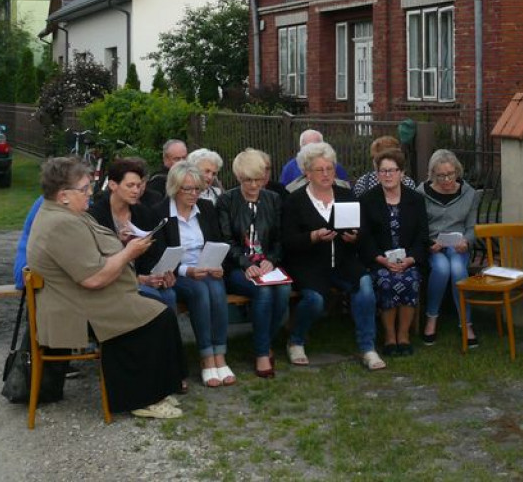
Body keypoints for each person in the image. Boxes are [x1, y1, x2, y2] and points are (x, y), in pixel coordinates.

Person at [25, 157, 186, 419]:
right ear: (64, 195)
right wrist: (129, 252)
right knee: (158, 318)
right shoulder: (61, 223)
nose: (90, 192)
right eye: (84, 188)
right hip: (80, 309)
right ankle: (142, 399)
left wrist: (118, 242)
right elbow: (94, 279)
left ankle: (155, 391)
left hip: (87, 299)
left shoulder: (64, 213)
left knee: (158, 312)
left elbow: (89, 252)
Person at [281, 142, 385, 371]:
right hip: (309, 264)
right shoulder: (294, 201)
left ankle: (367, 347)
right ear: (307, 173)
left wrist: (354, 237)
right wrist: (313, 237)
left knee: (365, 285)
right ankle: (296, 340)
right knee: (315, 301)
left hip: (343, 260)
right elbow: (288, 241)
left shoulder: (346, 195)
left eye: (330, 168)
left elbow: (363, 231)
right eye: (320, 170)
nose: (327, 174)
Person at [152, 160, 234, 387]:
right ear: (174, 188)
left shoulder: (206, 208)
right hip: (178, 272)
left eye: (198, 189)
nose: (193, 194)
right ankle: (207, 357)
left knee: (217, 289)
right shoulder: (160, 213)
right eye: (187, 189)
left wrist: (218, 264)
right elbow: (159, 255)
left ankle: (220, 354)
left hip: (207, 268)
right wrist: (187, 270)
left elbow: (217, 240)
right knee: (199, 291)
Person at [217, 149, 291, 378]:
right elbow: (226, 241)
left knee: (284, 289)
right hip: (238, 266)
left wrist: (271, 260)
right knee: (264, 292)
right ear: (238, 177)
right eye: (248, 180)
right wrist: (245, 263)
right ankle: (261, 352)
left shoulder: (273, 199)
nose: (253, 185)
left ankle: (264, 340)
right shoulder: (227, 201)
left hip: (267, 264)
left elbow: (280, 238)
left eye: (258, 179)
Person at [360, 148, 428, 357]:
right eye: (383, 171)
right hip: (379, 261)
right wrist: (382, 260)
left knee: (409, 279)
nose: (387, 175)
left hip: (409, 260)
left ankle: (404, 335)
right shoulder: (368, 200)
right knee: (386, 281)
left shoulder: (415, 200)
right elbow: (365, 238)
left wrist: (409, 260)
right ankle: (390, 337)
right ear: (377, 174)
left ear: (402, 173)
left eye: (392, 170)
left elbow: (422, 236)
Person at [89, 157, 177, 311]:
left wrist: (158, 275)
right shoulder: (96, 215)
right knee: (155, 299)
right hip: (112, 281)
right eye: (130, 185)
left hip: (142, 277)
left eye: (138, 185)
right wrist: (139, 278)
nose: (136, 191)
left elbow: (155, 252)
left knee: (169, 294)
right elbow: (96, 258)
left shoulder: (143, 213)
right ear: (113, 185)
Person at [417, 149, 480, 347]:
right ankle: (431, 317)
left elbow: (472, 227)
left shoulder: (468, 193)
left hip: (458, 246)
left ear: (457, 172)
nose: (447, 180)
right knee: (442, 269)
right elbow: (418, 227)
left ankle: (466, 323)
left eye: (451, 174)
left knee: (458, 269)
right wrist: (429, 244)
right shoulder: (421, 193)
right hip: (434, 246)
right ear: (432, 174)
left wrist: (467, 241)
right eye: (441, 175)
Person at [280, 128, 351, 189]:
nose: (313, 151)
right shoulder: (289, 168)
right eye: (308, 147)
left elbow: (345, 188)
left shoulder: (335, 166)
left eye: (316, 146)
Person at [352, 136, 417, 198]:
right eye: (374, 159)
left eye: (381, 159)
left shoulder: (408, 183)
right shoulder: (363, 183)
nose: (376, 163)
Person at [143, 139, 188, 206]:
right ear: (165, 159)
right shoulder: (157, 181)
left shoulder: (190, 178)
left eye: (184, 158)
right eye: (177, 159)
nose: (182, 162)